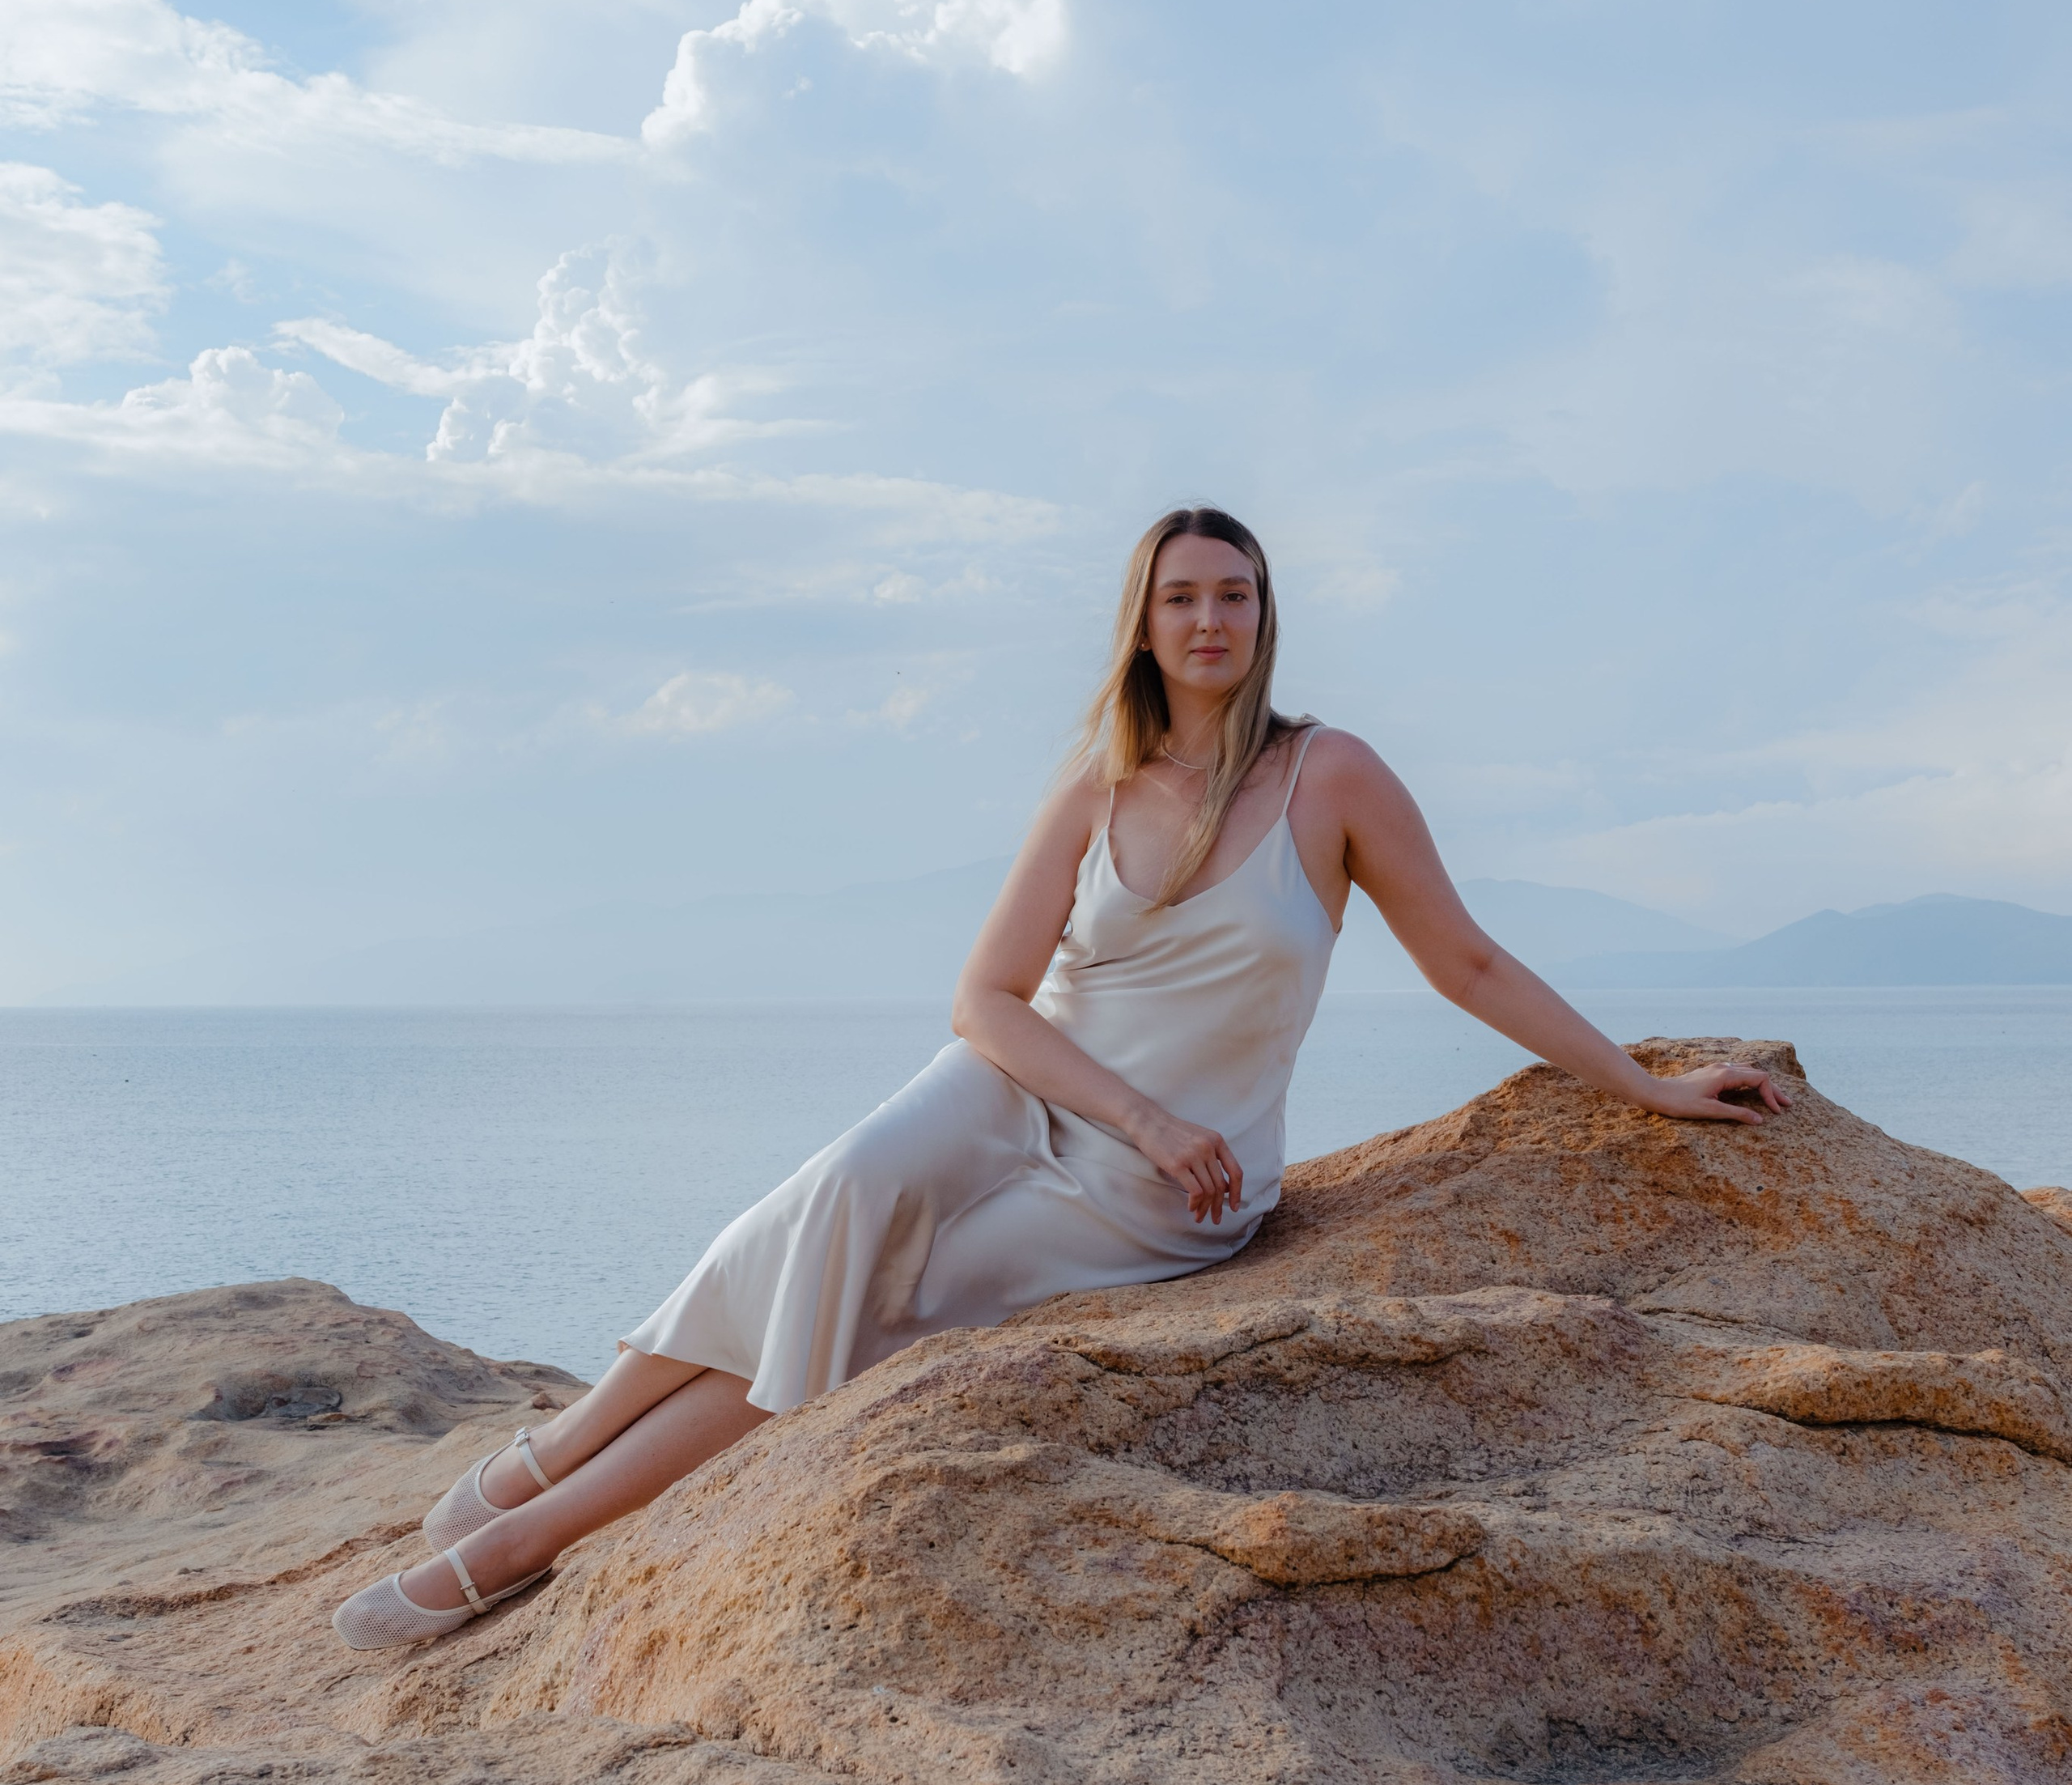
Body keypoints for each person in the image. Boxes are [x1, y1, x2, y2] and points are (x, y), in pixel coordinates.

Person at [333, 506, 1788, 1651]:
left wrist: (1643, 1086)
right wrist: (1129, 1106)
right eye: (1182, 597)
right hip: (1042, 1089)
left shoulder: (1331, 777)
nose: (1210, 618)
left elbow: (1465, 963)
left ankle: (518, 1546)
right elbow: (984, 999)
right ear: (1143, 626)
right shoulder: (1098, 788)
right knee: (838, 1198)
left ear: (1264, 619)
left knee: (886, 1313)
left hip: (1178, 1184)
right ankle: (568, 1443)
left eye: (1235, 594)